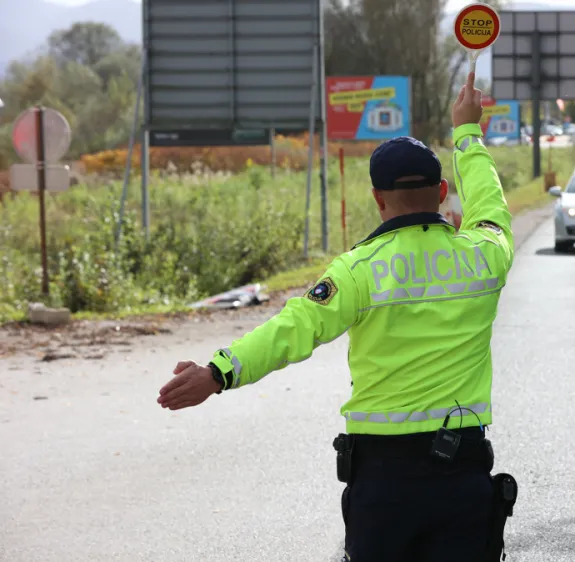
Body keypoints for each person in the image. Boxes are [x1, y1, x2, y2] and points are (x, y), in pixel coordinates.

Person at [156, 70, 517, 561]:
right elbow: (491, 207)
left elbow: (292, 329)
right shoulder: (485, 256)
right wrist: (466, 132)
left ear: (376, 198)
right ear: (441, 192)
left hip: (384, 486)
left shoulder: (357, 271)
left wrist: (218, 373)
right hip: (462, 480)